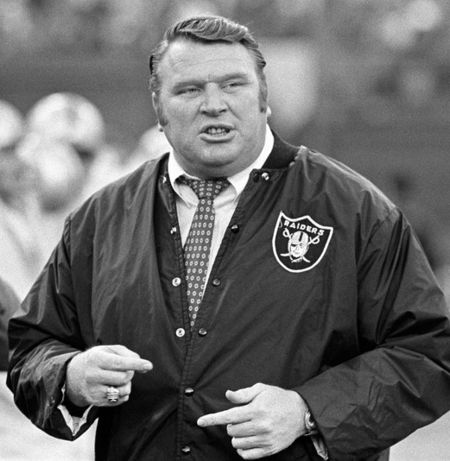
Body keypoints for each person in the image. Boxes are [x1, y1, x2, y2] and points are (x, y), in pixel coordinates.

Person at [7, 15, 450, 461]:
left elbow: (428, 355)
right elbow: (32, 348)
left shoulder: (353, 211)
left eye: (233, 85)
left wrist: (308, 410)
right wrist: (71, 375)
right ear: (159, 108)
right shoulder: (102, 218)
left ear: (264, 99)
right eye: (189, 90)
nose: (214, 104)